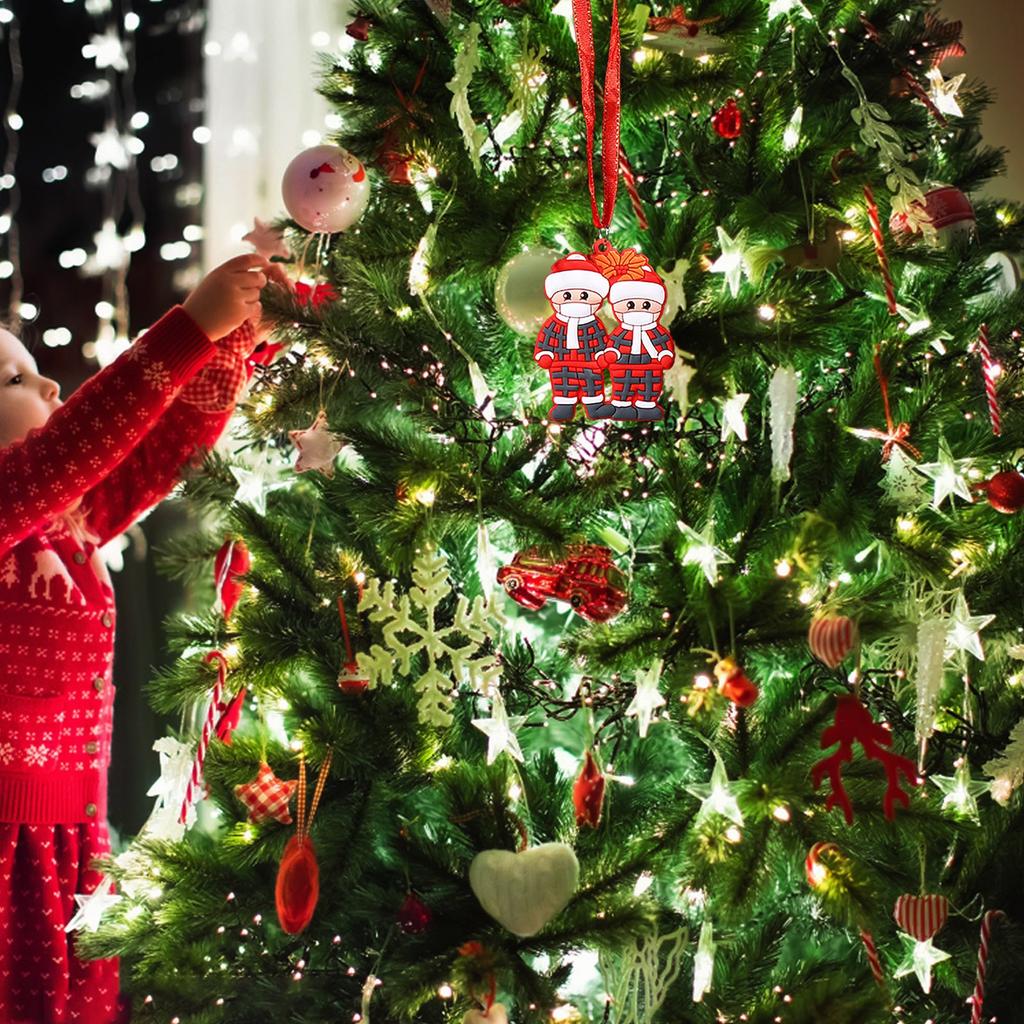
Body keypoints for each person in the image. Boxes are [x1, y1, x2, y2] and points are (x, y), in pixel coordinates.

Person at [0, 252, 278, 1023]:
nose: (50, 386)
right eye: (15, 380)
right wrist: (188, 328)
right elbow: (78, 442)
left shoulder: (72, 518)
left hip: (70, 837)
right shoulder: (12, 502)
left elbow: (163, 449)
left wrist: (234, 344)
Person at [534, 252, 616, 421]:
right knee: (563, 385)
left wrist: (602, 356)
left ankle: (595, 406)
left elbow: (600, 342)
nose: (576, 301)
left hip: (589, 364)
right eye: (567, 296)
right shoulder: (554, 324)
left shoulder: (594, 324)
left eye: (584, 295)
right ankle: (564, 405)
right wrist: (545, 354)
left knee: (592, 385)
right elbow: (546, 340)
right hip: (562, 364)